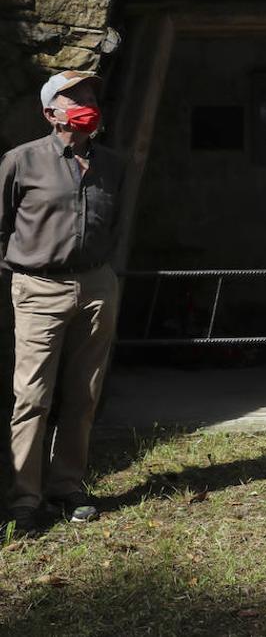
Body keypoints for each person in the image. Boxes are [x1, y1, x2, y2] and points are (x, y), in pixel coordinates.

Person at [2, 70, 125, 534]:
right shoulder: (21, 161)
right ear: (50, 111)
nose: (87, 101)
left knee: (84, 393)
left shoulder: (113, 165)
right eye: (75, 96)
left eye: (91, 93)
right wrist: (23, 276)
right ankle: (24, 499)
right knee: (32, 396)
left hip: (96, 287)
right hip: (38, 288)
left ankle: (68, 486)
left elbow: (113, 225)